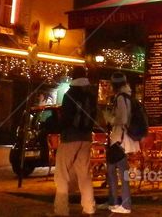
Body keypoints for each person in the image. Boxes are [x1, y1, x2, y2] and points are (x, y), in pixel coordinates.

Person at [54, 66, 97, 216]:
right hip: (86, 138)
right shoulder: (90, 95)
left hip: (70, 137)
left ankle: (61, 210)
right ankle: (89, 207)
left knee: (61, 175)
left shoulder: (70, 94)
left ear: (73, 77)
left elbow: (66, 118)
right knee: (84, 174)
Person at [103, 73, 138, 214]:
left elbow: (122, 118)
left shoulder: (120, 98)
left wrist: (109, 118)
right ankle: (114, 202)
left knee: (117, 172)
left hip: (119, 140)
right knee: (113, 171)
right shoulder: (128, 96)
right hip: (121, 139)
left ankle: (124, 205)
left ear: (114, 85)